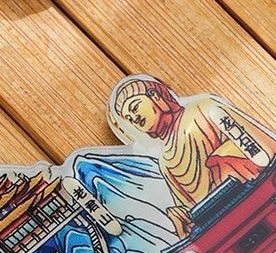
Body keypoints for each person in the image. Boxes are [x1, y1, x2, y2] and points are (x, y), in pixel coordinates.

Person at [111, 77, 276, 237]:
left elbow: (259, 147)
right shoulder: (165, 162)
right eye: (129, 119)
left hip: (259, 190)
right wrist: (181, 216)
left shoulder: (204, 109)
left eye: (135, 108)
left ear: (155, 96)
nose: (135, 118)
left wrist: (224, 162)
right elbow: (190, 207)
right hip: (224, 219)